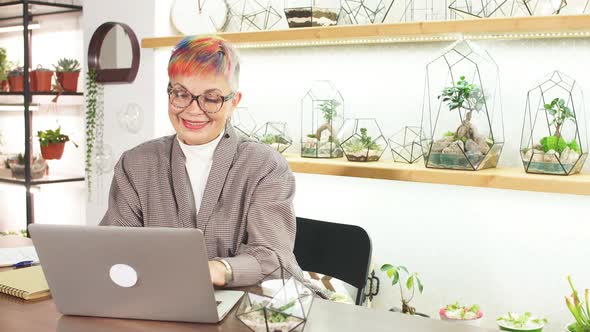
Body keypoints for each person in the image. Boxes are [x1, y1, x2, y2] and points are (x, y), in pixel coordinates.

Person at [100, 35, 301, 288]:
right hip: (157, 301)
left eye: (211, 98)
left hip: (244, 308)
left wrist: (214, 270)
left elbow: (273, 258)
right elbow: (114, 247)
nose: (193, 110)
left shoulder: (266, 166)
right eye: (181, 94)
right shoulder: (136, 164)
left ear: (233, 103)